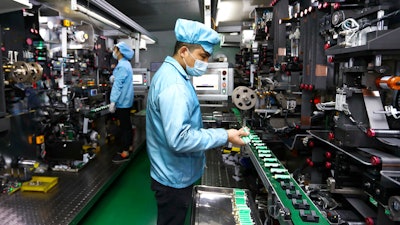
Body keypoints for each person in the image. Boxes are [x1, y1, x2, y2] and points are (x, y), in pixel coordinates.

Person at [146, 18, 249, 225]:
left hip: (171, 171)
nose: (205, 62)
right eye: (202, 56)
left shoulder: (172, 75)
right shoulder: (174, 85)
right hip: (174, 178)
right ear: (184, 51)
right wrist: (225, 135)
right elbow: (179, 139)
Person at [109, 41, 134, 163]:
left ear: (120, 51)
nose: (114, 52)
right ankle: (128, 146)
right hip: (126, 101)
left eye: (115, 49)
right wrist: (114, 77)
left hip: (122, 102)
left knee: (124, 127)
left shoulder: (122, 66)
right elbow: (118, 80)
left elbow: (118, 86)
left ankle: (125, 153)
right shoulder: (126, 64)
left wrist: (113, 101)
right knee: (127, 126)